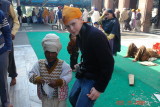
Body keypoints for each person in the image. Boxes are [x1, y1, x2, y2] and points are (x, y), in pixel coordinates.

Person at [62, 6, 114, 107]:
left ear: (81, 19)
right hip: (85, 73)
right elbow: (91, 56)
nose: (71, 29)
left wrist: (99, 88)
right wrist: (81, 64)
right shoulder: (80, 34)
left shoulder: (95, 36)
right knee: (72, 98)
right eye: (68, 26)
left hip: (93, 78)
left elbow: (109, 64)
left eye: (73, 24)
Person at [29, 34, 72, 107]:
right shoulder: (39, 63)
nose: (50, 55)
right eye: (47, 52)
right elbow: (31, 74)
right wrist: (37, 79)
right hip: (45, 98)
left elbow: (69, 75)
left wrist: (59, 82)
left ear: (57, 52)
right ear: (44, 51)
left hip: (59, 99)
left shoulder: (63, 65)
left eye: (53, 53)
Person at [0, 0, 20, 86]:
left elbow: (16, 20)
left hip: (6, 37)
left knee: (10, 58)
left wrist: (13, 32)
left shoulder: (7, 5)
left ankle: (13, 76)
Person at [0, 10, 13, 107]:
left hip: (2, 51)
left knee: (2, 78)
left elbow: (6, 31)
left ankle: (5, 101)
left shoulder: (0, 13)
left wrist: (8, 48)